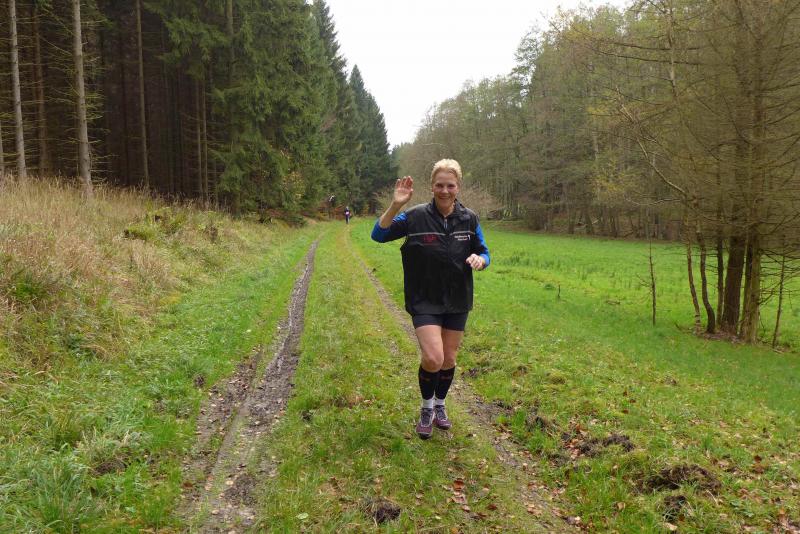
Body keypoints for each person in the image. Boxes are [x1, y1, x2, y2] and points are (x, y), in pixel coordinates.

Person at [371, 159, 490, 439]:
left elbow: (484, 252)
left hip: (457, 298)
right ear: (432, 186)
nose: (445, 190)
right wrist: (396, 205)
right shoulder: (414, 217)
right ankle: (426, 408)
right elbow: (379, 234)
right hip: (424, 298)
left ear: (458, 187)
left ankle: (440, 405)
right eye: (440, 185)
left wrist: (480, 260)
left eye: (450, 185)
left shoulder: (469, 219)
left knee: (449, 358)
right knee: (434, 357)